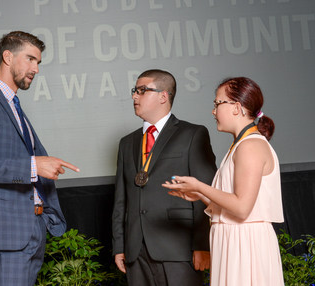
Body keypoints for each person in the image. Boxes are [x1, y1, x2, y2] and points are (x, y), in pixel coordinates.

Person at [0, 31, 80, 286]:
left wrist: (43, 218)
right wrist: (35, 165)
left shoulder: (14, 106)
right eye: (31, 59)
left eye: (38, 62)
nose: (36, 68)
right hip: (6, 233)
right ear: (7, 56)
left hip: (32, 227)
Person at [163, 77, 284, 285]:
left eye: (217, 104)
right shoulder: (240, 145)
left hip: (246, 246)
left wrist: (200, 185)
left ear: (237, 107)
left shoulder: (250, 146)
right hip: (234, 241)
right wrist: (200, 194)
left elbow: (242, 208)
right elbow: (231, 207)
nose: (213, 111)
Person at [112, 69, 217, 285]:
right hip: (135, 251)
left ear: (163, 96)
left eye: (142, 91)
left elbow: (205, 194)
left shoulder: (193, 134)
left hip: (179, 249)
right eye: (135, 91)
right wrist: (120, 246)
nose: (134, 96)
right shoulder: (126, 143)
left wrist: (202, 244)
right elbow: (120, 200)